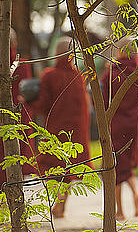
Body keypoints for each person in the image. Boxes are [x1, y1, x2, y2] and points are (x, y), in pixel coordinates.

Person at [29, 37, 91, 218]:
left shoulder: (50, 75)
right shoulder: (79, 76)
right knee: (70, 165)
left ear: (56, 53)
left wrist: (27, 102)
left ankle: (59, 201)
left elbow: (42, 104)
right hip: (76, 130)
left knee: (55, 166)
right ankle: (61, 201)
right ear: (73, 55)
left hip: (56, 129)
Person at [0, 31, 35, 189]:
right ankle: (18, 194)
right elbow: (27, 92)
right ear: (14, 44)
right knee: (20, 152)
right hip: (19, 114)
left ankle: (3, 199)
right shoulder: (23, 65)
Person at [101, 37, 138, 221]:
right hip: (133, 123)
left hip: (115, 123)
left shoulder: (110, 74)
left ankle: (119, 210)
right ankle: (135, 193)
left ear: (119, 51)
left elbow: (103, 102)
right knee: (126, 162)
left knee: (115, 166)